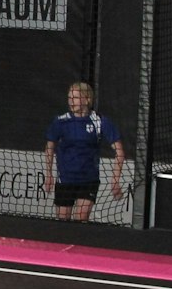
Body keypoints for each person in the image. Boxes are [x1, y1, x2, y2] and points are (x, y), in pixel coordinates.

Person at [43, 81, 125, 222]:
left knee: (81, 220)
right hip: (65, 180)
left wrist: (115, 180)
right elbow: (49, 147)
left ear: (87, 100)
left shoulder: (100, 121)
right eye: (69, 98)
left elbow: (120, 152)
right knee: (63, 222)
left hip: (89, 180)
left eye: (75, 98)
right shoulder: (60, 122)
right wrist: (49, 174)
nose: (71, 102)